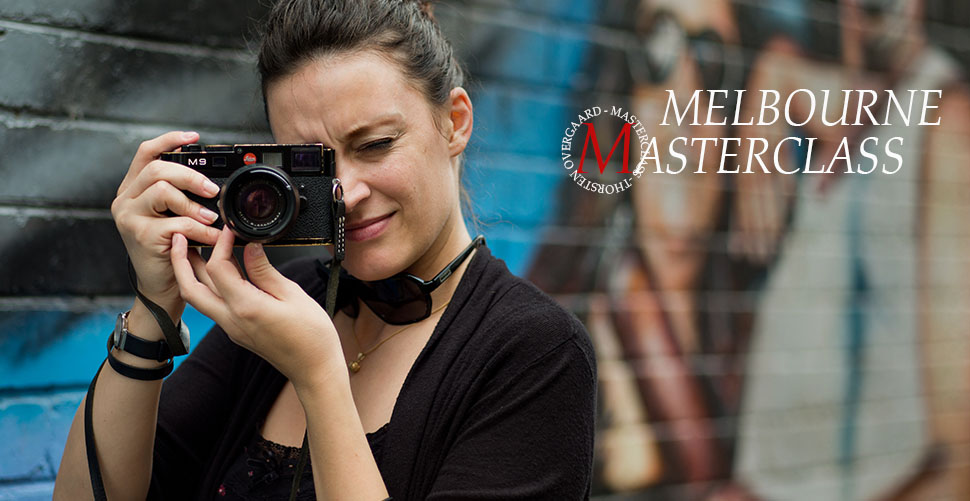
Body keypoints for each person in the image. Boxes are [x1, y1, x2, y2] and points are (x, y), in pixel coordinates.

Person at [52, 0, 597, 499]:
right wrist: (154, 306)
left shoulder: (534, 351)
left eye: (376, 145)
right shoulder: (288, 304)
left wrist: (318, 375)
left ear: (453, 123)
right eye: (314, 164)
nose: (348, 194)